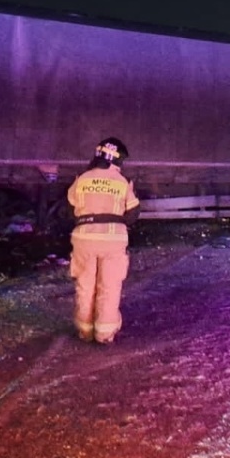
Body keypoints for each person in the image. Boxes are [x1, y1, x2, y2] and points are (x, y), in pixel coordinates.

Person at [67, 137, 140, 344]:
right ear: (117, 160)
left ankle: (85, 331)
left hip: (84, 240)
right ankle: (104, 334)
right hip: (112, 242)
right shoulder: (121, 182)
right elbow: (133, 214)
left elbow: (70, 207)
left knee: (85, 285)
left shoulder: (82, 179)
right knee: (109, 287)